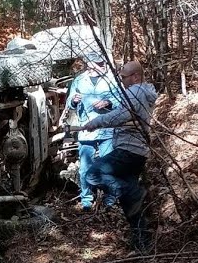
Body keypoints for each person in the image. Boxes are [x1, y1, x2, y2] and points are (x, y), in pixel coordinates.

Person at [82, 61, 158, 252]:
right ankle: (142, 243)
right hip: (138, 151)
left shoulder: (136, 91)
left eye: (123, 77)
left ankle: (135, 192)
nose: (121, 80)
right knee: (130, 203)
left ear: (135, 76)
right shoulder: (143, 92)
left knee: (93, 174)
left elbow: (121, 115)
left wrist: (96, 122)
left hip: (129, 150)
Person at [65, 52, 123, 212]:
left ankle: (110, 199)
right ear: (88, 64)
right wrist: (74, 101)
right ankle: (86, 201)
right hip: (87, 129)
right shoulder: (79, 80)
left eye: (101, 64)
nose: (98, 67)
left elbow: (121, 100)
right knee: (85, 167)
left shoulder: (112, 80)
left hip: (107, 129)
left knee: (109, 165)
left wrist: (108, 102)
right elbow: (70, 103)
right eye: (94, 63)